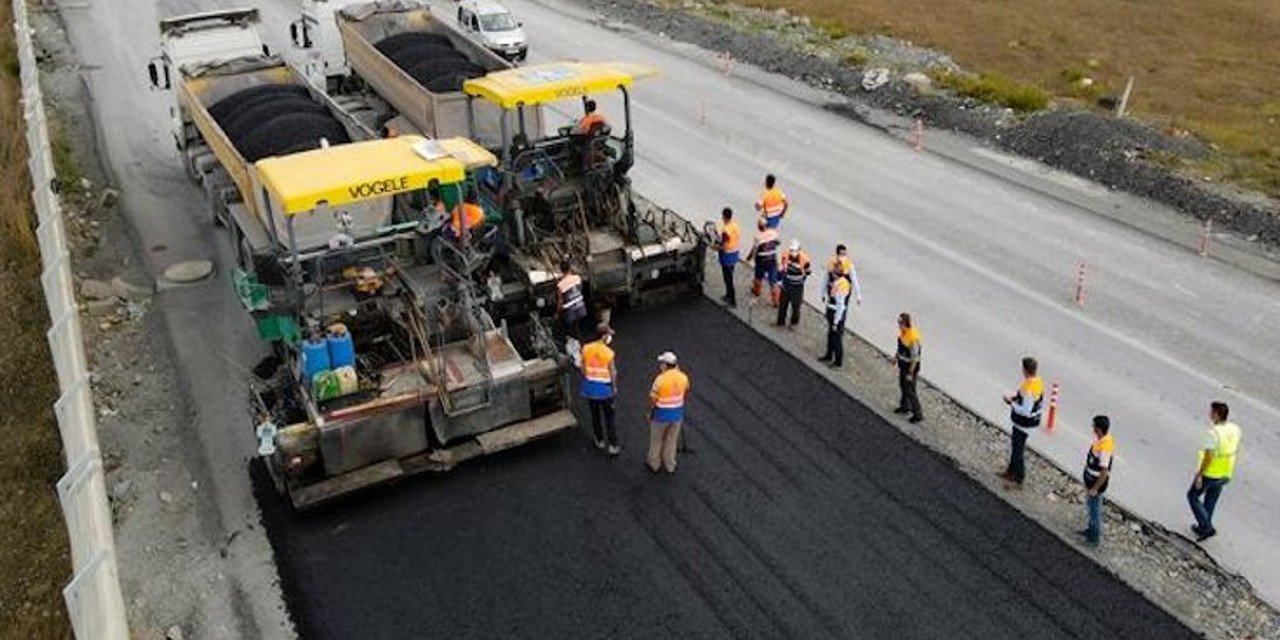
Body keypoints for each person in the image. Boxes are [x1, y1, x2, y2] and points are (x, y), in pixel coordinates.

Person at [1187, 401, 1242, 542]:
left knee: (1192, 496)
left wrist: (1199, 474)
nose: (1209, 414)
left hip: (1211, 473)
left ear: (1216, 415)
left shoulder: (1213, 433)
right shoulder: (1234, 429)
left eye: (1211, 412)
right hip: (1226, 472)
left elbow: (1209, 456)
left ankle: (1207, 527)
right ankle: (1203, 526)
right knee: (1211, 500)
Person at [999, 357, 1044, 487]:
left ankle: (1019, 477)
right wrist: (1015, 397)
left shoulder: (1030, 387)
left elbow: (1026, 411)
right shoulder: (1037, 381)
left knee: (1017, 450)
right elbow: (1025, 398)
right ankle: (1010, 471)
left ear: (1025, 370)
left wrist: (1011, 404)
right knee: (1015, 448)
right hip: (1028, 422)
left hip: (1024, 423)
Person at [648, 351, 690, 474]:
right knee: (671, 441)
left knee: (656, 440)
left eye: (662, 363)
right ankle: (670, 464)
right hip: (676, 415)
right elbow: (686, 390)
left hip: (660, 415)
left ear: (666, 365)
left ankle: (654, 463)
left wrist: (649, 412)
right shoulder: (683, 377)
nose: (660, 365)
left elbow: (653, 399)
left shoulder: (660, 380)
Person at [580, 324, 619, 456]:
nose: (610, 337)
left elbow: (583, 368)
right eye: (609, 335)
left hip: (591, 388)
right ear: (604, 337)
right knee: (609, 417)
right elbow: (613, 372)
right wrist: (614, 387)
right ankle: (613, 446)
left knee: (595, 415)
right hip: (605, 389)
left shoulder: (586, 348)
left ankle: (599, 440)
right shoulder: (608, 353)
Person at [1078, 415, 1114, 545]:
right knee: (1091, 506)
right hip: (1090, 482)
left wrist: (1095, 489)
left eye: (1094, 427)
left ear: (1099, 429)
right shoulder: (1102, 440)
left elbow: (1104, 472)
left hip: (1095, 485)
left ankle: (1094, 538)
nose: (1092, 429)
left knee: (1094, 510)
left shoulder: (1105, 448)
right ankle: (1090, 530)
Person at [819, 261, 851, 368]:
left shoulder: (841, 285)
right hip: (832, 311)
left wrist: (836, 322)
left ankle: (838, 362)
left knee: (836, 338)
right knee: (831, 335)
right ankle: (829, 355)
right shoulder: (837, 283)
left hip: (836, 314)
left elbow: (840, 305)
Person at [556, 259, 588, 364]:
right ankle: (582, 350)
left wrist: (557, 312)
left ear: (561, 270)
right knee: (578, 330)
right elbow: (580, 289)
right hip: (581, 308)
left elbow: (560, 302)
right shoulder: (577, 278)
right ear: (570, 268)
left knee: (571, 332)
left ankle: (577, 355)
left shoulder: (560, 285)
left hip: (570, 312)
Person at [893, 312, 923, 423]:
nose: (898, 325)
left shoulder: (912, 337)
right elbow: (901, 348)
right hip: (903, 365)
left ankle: (918, 414)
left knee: (911, 390)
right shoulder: (903, 333)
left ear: (905, 323)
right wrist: (896, 358)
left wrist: (910, 373)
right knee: (903, 386)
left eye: (900, 323)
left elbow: (915, 358)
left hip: (910, 368)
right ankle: (905, 406)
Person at [774, 240, 810, 329]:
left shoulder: (804, 259)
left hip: (797, 286)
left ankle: (794, 323)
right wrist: (779, 282)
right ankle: (780, 322)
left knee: (796, 305)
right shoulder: (785, 255)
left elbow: (807, 272)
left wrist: (801, 279)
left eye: (795, 250)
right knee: (783, 304)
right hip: (786, 283)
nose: (793, 253)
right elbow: (781, 269)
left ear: (799, 250)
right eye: (791, 250)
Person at [743, 218, 779, 304]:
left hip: (761, 261)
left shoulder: (758, 237)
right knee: (773, 281)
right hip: (772, 259)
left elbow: (754, 250)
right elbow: (777, 243)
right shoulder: (774, 233)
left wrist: (749, 258)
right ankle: (776, 300)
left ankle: (757, 291)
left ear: (759, 227)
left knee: (758, 277)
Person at [821, 244, 861, 309]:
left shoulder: (849, 265)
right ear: (837, 254)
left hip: (844, 291)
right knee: (831, 312)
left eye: (844, 254)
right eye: (841, 254)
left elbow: (854, 280)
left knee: (842, 310)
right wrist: (822, 294)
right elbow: (825, 280)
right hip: (833, 291)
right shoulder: (831, 264)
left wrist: (858, 295)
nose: (843, 256)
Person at [715, 207, 741, 307]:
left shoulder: (726, 230)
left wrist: (715, 247)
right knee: (729, 276)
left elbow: (724, 247)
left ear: (724, 217)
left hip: (727, 257)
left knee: (728, 279)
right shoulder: (735, 225)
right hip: (735, 253)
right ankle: (728, 295)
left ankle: (732, 300)